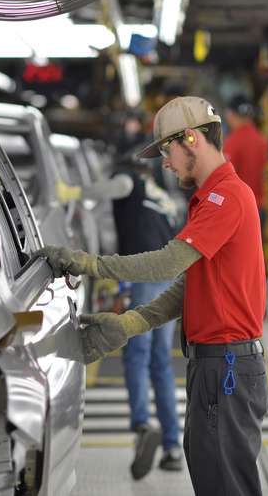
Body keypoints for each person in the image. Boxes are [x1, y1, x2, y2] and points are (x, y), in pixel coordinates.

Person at [37, 96, 268, 496]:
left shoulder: (225, 196)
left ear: (191, 139)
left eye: (166, 150)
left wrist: (90, 264)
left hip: (226, 368)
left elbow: (169, 263)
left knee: (226, 485)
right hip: (213, 366)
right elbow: (191, 284)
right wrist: (134, 322)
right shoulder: (210, 196)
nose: (165, 162)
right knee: (212, 477)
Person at [111, 149, 183, 479]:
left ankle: (142, 425)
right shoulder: (163, 196)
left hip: (145, 275)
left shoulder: (128, 183)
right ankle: (172, 446)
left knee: (136, 355)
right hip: (170, 277)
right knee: (160, 361)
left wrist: (69, 192)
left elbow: (104, 191)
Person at [223, 94, 268, 211]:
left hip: (240, 208)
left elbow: (225, 178)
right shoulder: (262, 140)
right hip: (259, 206)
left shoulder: (232, 142)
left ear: (230, 114)